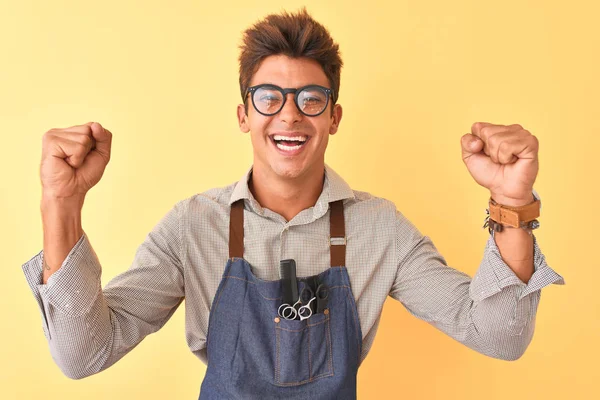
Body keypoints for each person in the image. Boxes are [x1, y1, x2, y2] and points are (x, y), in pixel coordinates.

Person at [22, 7, 565, 399]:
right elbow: (83, 355)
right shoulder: (194, 226)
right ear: (244, 116)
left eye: (311, 98)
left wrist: (511, 202)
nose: (289, 115)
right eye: (269, 98)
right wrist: (60, 206)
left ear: (333, 117)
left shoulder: (380, 230)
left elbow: (498, 337)